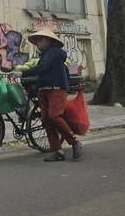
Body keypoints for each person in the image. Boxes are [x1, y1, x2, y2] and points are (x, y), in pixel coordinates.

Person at [21, 28, 82, 161]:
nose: (37, 43)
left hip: (56, 89)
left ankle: (74, 141)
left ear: (48, 40)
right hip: (44, 89)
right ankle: (58, 151)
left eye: (40, 40)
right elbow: (43, 71)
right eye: (36, 40)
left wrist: (23, 73)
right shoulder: (45, 54)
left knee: (54, 116)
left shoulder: (54, 52)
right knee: (47, 120)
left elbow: (42, 68)